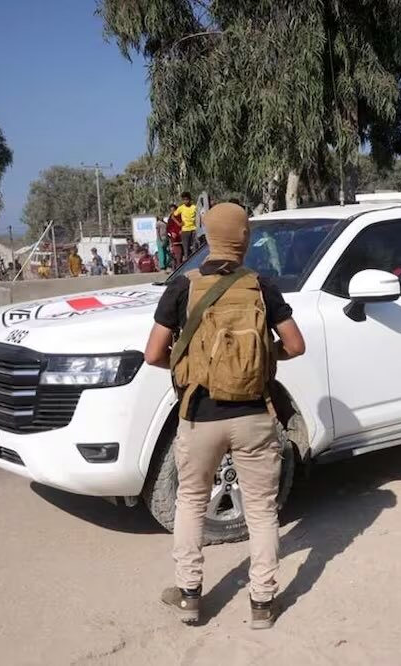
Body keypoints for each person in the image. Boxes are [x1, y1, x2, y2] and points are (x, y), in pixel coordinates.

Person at [144, 203, 306, 629]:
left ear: (208, 238)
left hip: (199, 415)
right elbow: (295, 345)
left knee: (191, 503)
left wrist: (189, 367)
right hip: (254, 415)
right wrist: (260, 360)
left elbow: (153, 353)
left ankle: (189, 597)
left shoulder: (182, 286)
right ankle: (263, 604)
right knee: (261, 511)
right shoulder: (262, 286)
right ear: (245, 239)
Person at [176, 192, 199, 257]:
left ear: (190, 199)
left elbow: (198, 216)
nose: (186, 201)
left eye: (187, 199)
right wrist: (179, 223)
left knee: (195, 248)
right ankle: (187, 263)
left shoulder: (194, 207)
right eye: (184, 200)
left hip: (194, 230)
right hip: (185, 230)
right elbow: (173, 216)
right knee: (186, 249)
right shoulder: (181, 208)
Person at [167, 204, 185, 269]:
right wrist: (171, 233)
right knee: (178, 255)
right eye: (171, 210)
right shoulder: (170, 218)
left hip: (183, 238)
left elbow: (184, 224)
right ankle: (178, 267)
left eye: (174, 210)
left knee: (185, 254)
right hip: (175, 240)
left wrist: (182, 230)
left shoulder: (181, 216)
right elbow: (168, 228)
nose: (173, 211)